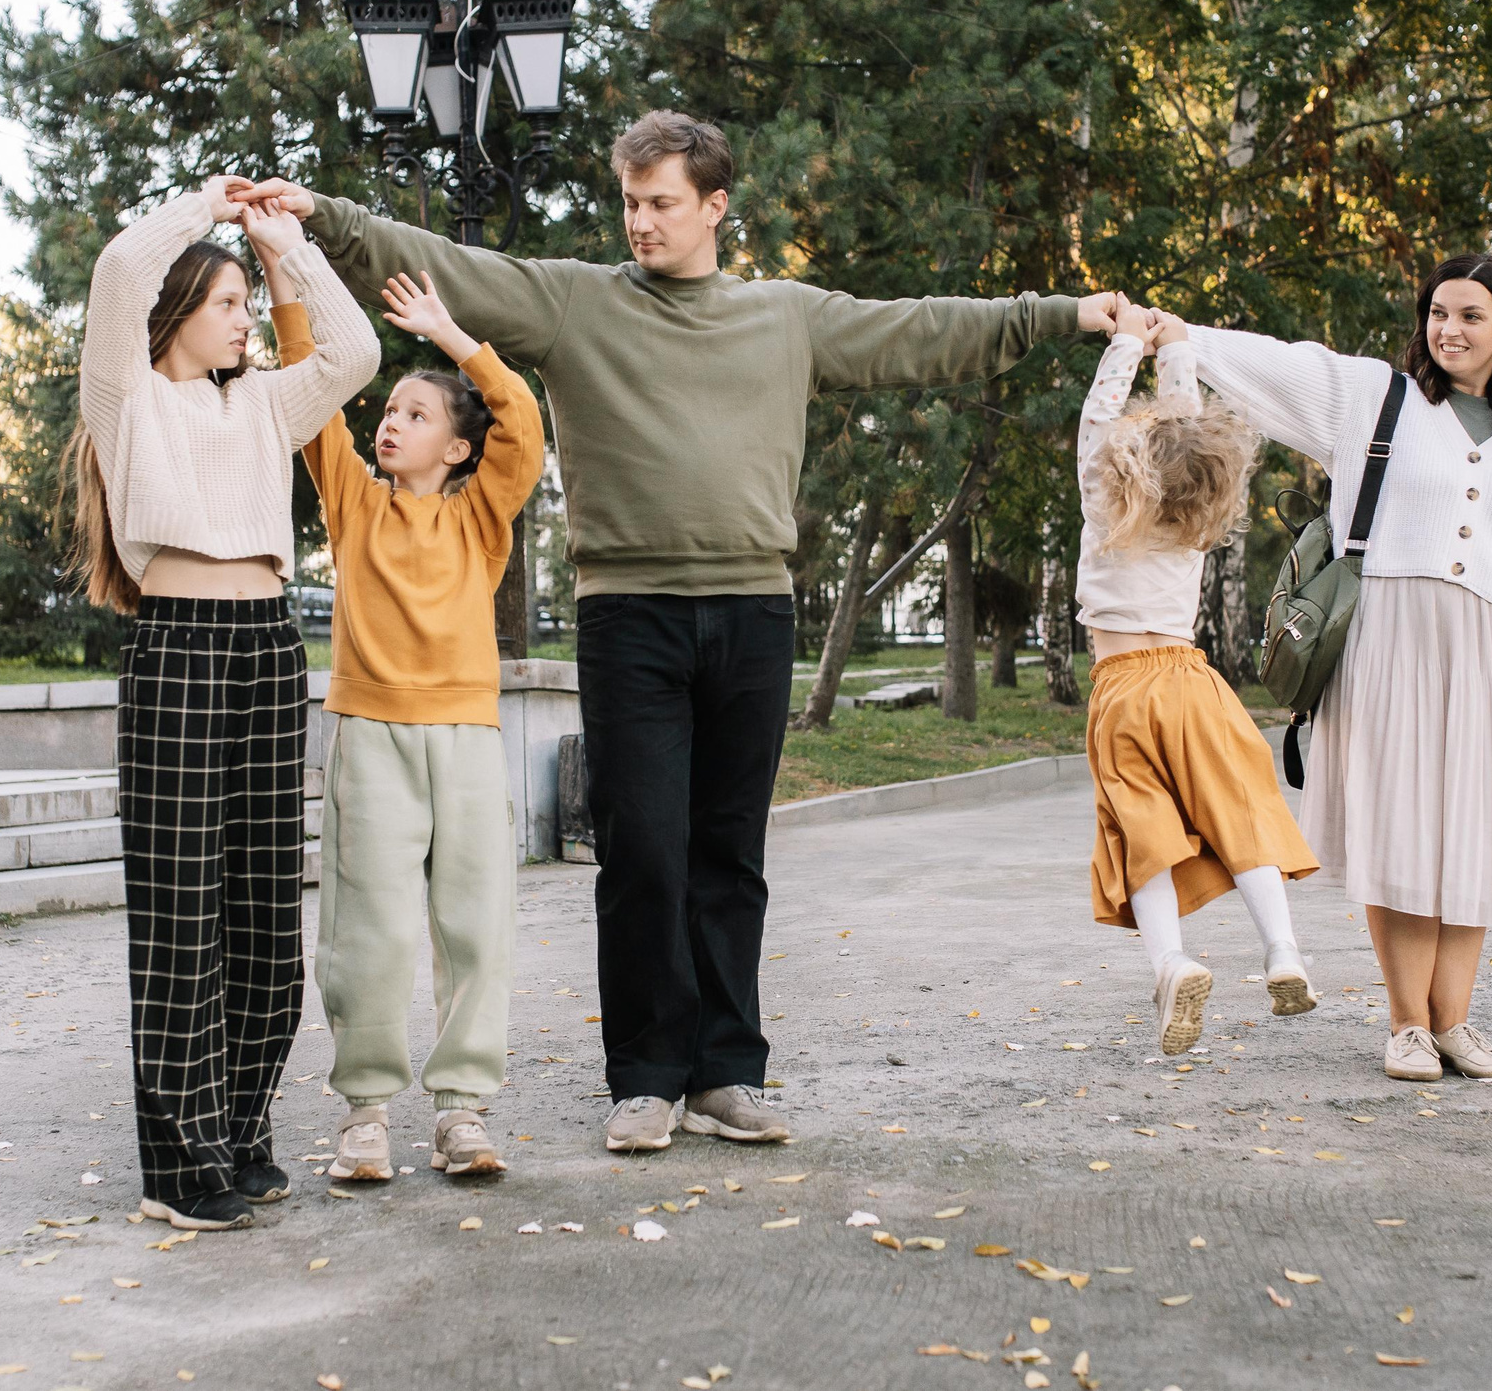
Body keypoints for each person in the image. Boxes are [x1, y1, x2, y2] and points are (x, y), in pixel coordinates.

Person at [234, 112, 1121, 1152]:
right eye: (629, 203)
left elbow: (922, 330)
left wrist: (1062, 313)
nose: (641, 222)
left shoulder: (786, 316)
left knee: (727, 855)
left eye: (661, 203)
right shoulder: (576, 305)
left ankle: (727, 1074)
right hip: (628, 616)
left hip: (751, 611)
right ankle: (647, 1078)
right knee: (644, 852)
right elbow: (446, 264)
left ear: (713, 207)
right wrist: (322, 216)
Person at [1174, 254, 1492, 1083]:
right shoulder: (1371, 397)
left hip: (1490, 650)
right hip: (1389, 642)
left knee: (1472, 836)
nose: (1448, 329)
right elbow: (1273, 364)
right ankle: (1407, 1025)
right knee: (1406, 832)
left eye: (1470, 316)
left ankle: (1455, 1022)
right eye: (1438, 312)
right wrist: (1179, 336)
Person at [67, 176, 381, 1230]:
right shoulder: (127, 394)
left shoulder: (263, 402)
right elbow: (118, 271)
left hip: (264, 646)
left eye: (249, 306)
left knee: (259, 915)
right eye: (228, 304)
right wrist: (202, 207)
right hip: (179, 649)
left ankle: (240, 1134)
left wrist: (281, 246)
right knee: (179, 916)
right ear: (179, 316)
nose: (246, 319)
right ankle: (176, 1163)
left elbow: (355, 355)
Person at [249, 206, 546, 1184]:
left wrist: (452, 341)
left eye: (417, 414)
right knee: (366, 927)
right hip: (369, 731)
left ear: (457, 450)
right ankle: (365, 1112)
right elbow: (307, 388)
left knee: (474, 926)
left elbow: (525, 427)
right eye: (391, 411)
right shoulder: (350, 497)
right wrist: (279, 270)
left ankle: (462, 1112)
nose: (393, 421)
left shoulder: (482, 517)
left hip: (463, 732)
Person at [1075, 309, 1320, 1055]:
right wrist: (1176, 344)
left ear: (1125, 464)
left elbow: (1097, 418)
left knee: (1140, 830)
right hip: (1190, 679)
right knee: (1237, 807)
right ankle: (1282, 949)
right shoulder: (1196, 512)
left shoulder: (1106, 497)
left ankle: (1171, 961)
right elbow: (1184, 423)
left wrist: (1125, 339)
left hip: (1120, 686)